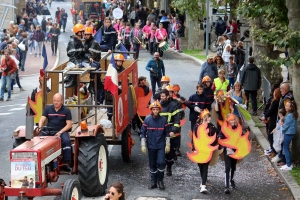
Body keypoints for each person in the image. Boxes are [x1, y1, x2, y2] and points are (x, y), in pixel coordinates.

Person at [38, 93, 72, 172]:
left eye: (57, 101)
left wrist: (60, 132)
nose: (56, 102)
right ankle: (40, 160)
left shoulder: (66, 110)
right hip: (49, 130)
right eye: (54, 101)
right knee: (38, 139)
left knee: (66, 141)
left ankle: (66, 163)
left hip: (61, 131)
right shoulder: (48, 109)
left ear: (61, 101)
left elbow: (69, 125)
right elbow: (42, 119)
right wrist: (40, 127)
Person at [140, 101, 169, 190]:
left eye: (157, 109)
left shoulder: (164, 120)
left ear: (159, 110)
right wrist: (143, 145)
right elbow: (143, 132)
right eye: (154, 109)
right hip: (151, 145)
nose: (155, 111)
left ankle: (160, 180)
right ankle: (153, 182)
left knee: (161, 163)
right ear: (151, 110)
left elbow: (167, 133)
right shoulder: (147, 120)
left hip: (161, 145)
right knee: (152, 164)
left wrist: (168, 144)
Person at [192, 110, 218, 194]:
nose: (208, 119)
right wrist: (194, 148)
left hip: (207, 150)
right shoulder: (197, 126)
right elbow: (194, 138)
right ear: (202, 118)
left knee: (205, 166)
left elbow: (217, 136)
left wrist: (213, 147)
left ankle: (203, 185)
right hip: (199, 149)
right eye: (206, 118)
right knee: (201, 166)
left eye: (209, 117)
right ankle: (203, 180)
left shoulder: (212, 127)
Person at [159, 89, 180, 177]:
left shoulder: (173, 106)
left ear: (168, 96)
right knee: (160, 151)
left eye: (163, 96)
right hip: (160, 133)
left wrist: (173, 131)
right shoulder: (158, 106)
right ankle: (161, 167)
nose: (161, 98)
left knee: (170, 152)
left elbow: (177, 120)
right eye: (161, 96)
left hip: (170, 133)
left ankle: (169, 167)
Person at [218, 114, 239, 194]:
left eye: (233, 120)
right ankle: (226, 186)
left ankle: (232, 180)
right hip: (227, 151)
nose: (233, 121)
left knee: (233, 166)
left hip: (235, 151)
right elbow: (220, 140)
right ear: (228, 121)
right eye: (231, 120)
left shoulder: (237, 128)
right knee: (227, 167)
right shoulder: (224, 129)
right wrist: (226, 146)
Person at [65, 23, 87, 88]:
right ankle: (72, 79)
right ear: (79, 33)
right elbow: (73, 56)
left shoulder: (78, 40)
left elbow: (82, 53)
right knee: (73, 64)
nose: (84, 33)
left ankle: (69, 77)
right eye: (83, 32)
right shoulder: (72, 42)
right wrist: (77, 64)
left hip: (81, 59)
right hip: (76, 61)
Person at [261, 88, 281, 158]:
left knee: (270, 136)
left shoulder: (275, 102)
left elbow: (271, 110)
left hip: (273, 120)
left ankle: (273, 150)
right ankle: (271, 148)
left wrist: (265, 116)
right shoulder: (274, 100)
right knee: (270, 135)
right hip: (271, 119)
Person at [106, 54, 125, 121]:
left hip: (119, 90)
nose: (119, 62)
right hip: (111, 90)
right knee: (110, 104)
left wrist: (121, 86)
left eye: (120, 61)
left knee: (119, 105)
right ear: (115, 61)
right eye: (118, 61)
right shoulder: (111, 69)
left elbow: (125, 80)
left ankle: (117, 119)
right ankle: (109, 117)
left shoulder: (123, 70)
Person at [280, 101, 298, 170]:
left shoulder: (290, 115)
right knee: (286, 148)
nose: (285, 107)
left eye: (287, 106)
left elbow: (286, 126)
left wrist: (282, 127)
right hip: (291, 133)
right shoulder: (293, 114)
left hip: (288, 133)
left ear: (291, 108)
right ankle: (289, 163)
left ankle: (289, 164)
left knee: (286, 148)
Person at [83, 27, 101, 94]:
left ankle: (91, 85)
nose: (86, 36)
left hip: (92, 60)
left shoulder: (93, 43)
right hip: (89, 60)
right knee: (96, 66)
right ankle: (90, 85)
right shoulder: (87, 42)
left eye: (88, 34)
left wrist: (87, 56)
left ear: (90, 35)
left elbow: (91, 55)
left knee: (95, 66)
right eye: (85, 34)